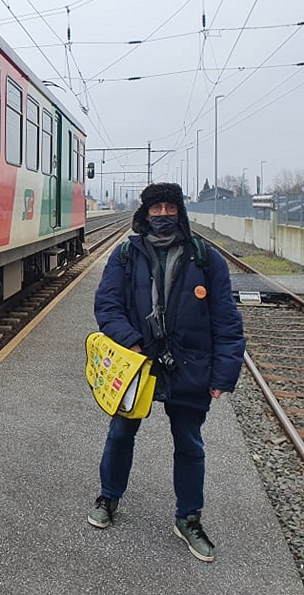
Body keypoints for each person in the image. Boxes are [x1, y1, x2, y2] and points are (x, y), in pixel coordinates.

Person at [87, 182, 245, 563]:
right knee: (121, 433)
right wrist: (132, 342)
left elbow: (227, 320)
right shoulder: (125, 254)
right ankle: (109, 497)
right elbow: (107, 306)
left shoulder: (205, 257)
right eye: (155, 208)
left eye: (169, 207)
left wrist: (224, 375)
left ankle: (188, 518)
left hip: (190, 365)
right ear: (145, 213)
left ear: (180, 211)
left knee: (189, 444)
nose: (162, 215)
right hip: (138, 364)